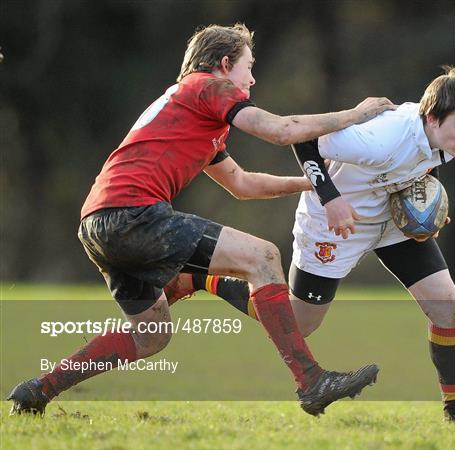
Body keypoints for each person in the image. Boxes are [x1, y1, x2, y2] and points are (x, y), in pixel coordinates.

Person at [8, 23, 395, 417]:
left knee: (151, 335)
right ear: (225, 64)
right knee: (262, 257)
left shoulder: (192, 110)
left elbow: (242, 184)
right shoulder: (207, 87)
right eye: (249, 66)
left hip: (99, 223)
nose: (253, 77)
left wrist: (311, 184)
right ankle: (311, 381)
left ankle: (38, 390)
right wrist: (355, 114)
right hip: (132, 213)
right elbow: (283, 130)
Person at [165, 66, 455, 424]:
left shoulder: (446, 140)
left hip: (391, 221)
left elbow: (425, 165)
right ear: (431, 118)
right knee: (298, 323)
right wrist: (330, 198)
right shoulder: (381, 137)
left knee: (447, 305)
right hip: (333, 223)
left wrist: (429, 210)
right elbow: (303, 140)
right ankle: (198, 279)